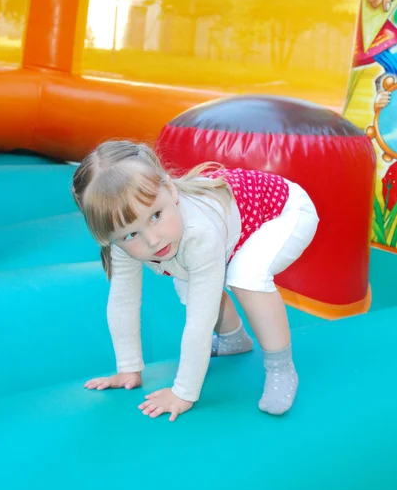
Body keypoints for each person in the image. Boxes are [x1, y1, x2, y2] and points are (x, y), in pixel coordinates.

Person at [72, 140, 319, 421]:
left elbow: (199, 322)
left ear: (171, 190)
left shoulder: (199, 234)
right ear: (110, 237)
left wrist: (183, 392)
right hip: (232, 227)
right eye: (131, 235)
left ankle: (281, 368)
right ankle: (233, 339)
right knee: (188, 281)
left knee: (246, 276)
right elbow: (123, 301)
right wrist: (128, 367)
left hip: (283, 210)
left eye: (156, 216)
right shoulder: (124, 239)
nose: (153, 240)